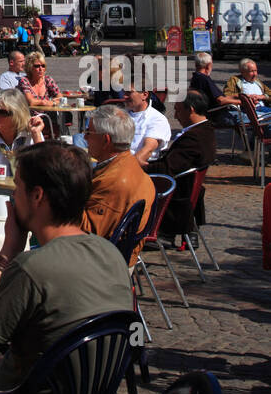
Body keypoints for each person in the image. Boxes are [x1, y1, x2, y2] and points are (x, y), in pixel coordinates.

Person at [0, 143, 134, 394]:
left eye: (18, 188)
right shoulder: (110, 254)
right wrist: (6, 361)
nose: (13, 197)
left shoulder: (32, 269)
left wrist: (8, 250)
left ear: (37, 196)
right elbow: (62, 337)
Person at [81, 104, 155, 263]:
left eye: (88, 132)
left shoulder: (114, 181)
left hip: (104, 263)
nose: (85, 138)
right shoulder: (128, 164)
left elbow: (88, 233)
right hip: (114, 255)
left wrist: (62, 196)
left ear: (105, 140)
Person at [151, 92, 217, 241]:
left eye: (177, 110)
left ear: (191, 109)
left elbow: (167, 168)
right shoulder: (206, 131)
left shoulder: (195, 137)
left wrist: (139, 167)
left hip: (174, 193)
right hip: (181, 187)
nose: (175, 116)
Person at [123, 83, 171, 166]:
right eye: (124, 93)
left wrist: (124, 168)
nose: (124, 96)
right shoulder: (121, 115)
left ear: (144, 95)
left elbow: (146, 151)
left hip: (136, 170)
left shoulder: (156, 120)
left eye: (129, 93)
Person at [217, 59, 271, 127]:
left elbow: (269, 94)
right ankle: (262, 136)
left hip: (263, 108)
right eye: (251, 71)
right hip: (248, 110)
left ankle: (260, 136)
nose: (255, 74)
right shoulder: (234, 80)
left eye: (256, 71)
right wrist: (246, 99)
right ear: (243, 72)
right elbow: (227, 96)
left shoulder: (257, 82)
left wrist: (262, 96)